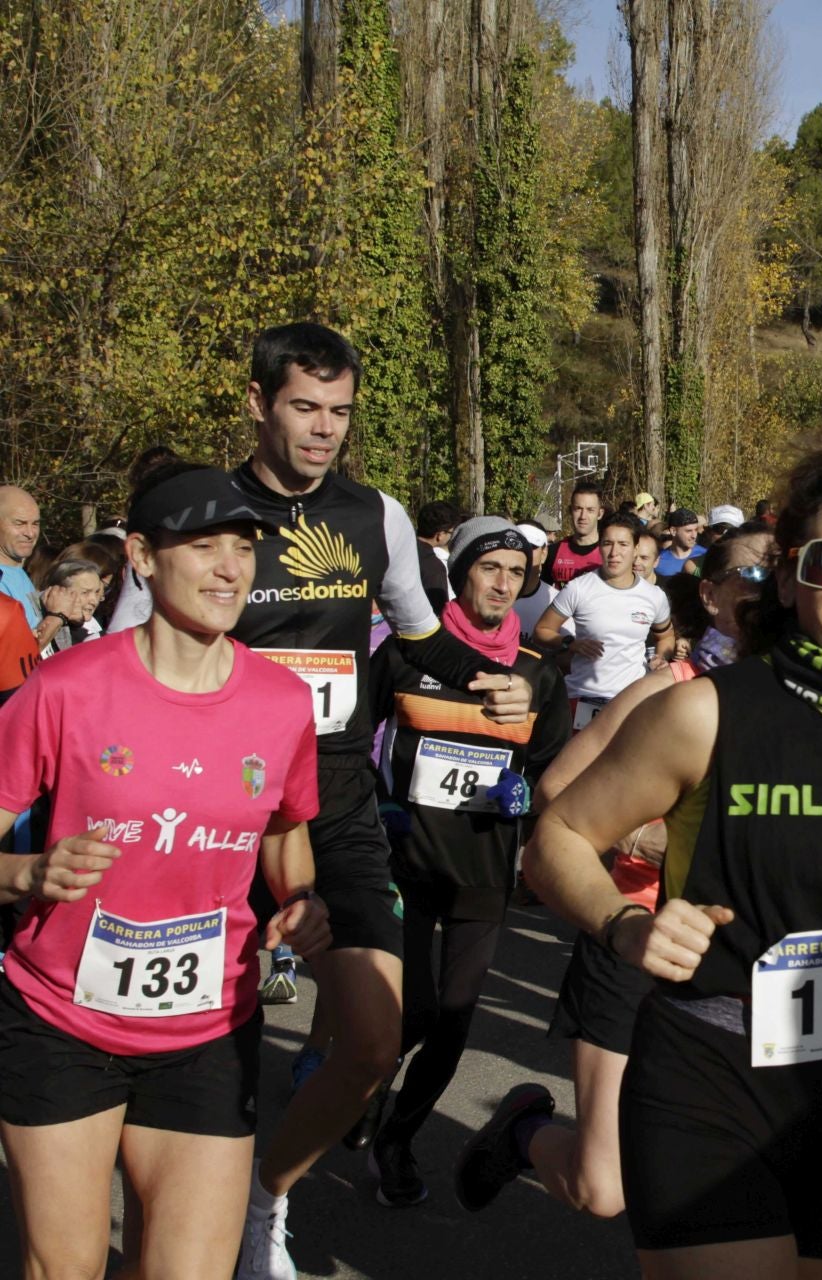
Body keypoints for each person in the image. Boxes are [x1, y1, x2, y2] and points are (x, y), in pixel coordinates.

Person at [495, 441, 822, 1279]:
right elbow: (555, 836)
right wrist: (625, 925)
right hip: (711, 1067)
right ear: (792, 575)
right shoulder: (704, 713)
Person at [106, 324, 535, 1280]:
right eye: (305, 408)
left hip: (332, 798)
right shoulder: (199, 514)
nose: (323, 431)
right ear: (258, 404)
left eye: (340, 413)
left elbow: (423, 640)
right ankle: (171, 1229)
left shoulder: (372, 514)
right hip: (213, 804)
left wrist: (505, 681)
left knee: (373, 1037)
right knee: (204, 1047)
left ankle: (266, 1201)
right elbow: (120, 664)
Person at [0, 464, 331, 1280]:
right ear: (143, 557)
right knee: (66, 1267)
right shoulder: (66, 687)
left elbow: (285, 833)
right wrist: (27, 873)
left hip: (207, 1030)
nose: (231, 567)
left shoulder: (281, 702)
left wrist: (303, 899)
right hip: (61, 1021)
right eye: (204, 545)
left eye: (244, 547)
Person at [466, 528, 774, 1226]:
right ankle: (525, 1133)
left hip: (745, 955)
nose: (761, 589)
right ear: (710, 593)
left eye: (775, 572)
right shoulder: (668, 688)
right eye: (746, 575)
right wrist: (667, 843)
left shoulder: (802, 698)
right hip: (635, 932)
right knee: (602, 1190)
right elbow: (557, 793)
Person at [363, 518, 571, 1208]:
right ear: (461, 574)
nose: (504, 582)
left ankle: (396, 1135)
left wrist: (528, 796)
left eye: (517, 572)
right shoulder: (403, 654)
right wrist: (378, 812)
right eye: (491, 568)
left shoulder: (537, 676)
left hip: (483, 865)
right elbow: (350, 746)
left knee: (453, 1019)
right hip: (407, 858)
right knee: (414, 1013)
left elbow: (552, 772)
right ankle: (355, 1091)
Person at [534, 513, 674, 729]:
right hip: (581, 698)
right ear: (599, 545)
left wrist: (660, 657)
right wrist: (570, 643)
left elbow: (666, 637)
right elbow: (542, 630)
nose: (614, 552)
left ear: (636, 549)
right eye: (607, 543)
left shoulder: (654, 596)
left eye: (623, 544)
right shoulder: (578, 588)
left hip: (629, 700)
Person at [0, 484, 56, 651]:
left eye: (35, 524)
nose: (30, 533)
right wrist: (58, 616)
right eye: (20, 523)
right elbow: (17, 655)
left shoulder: (18, 572)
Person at [33, 555, 105, 655]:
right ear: (58, 591)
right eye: (85, 592)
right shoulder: (29, 614)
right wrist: (57, 618)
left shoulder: (91, 628)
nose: (94, 601)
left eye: (97, 592)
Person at [544, 481, 606, 588]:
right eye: (578, 509)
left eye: (590, 510)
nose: (583, 516)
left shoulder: (610, 552)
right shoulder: (553, 552)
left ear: (600, 514)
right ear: (570, 511)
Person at [414, 499, 461, 614]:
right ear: (440, 535)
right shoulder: (433, 567)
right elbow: (439, 611)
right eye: (451, 533)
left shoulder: (398, 551)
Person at [655, 508, 706, 577]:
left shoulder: (705, 555)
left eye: (696, 530)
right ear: (673, 531)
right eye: (688, 531)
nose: (694, 536)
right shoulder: (658, 561)